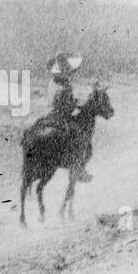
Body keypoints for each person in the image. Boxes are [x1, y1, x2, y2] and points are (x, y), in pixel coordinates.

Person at [47, 52, 92, 183]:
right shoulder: (62, 83)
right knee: (80, 138)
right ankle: (78, 169)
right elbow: (62, 101)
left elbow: (58, 100)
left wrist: (73, 103)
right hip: (61, 115)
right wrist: (74, 106)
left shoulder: (55, 82)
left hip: (53, 114)